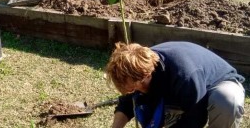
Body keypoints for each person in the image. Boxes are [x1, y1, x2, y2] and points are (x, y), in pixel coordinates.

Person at [105, 41, 245, 128]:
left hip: (218, 82)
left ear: (147, 74)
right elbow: (127, 103)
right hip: (185, 91)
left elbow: (194, 119)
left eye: (135, 87)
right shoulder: (138, 68)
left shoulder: (184, 75)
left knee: (226, 101)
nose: (135, 91)